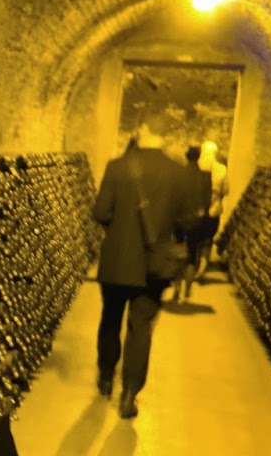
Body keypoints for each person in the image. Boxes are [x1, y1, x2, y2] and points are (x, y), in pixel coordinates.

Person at [92, 110, 200, 418]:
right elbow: (188, 220)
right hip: (154, 265)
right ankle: (129, 394)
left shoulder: (117, 166)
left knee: (111, 319)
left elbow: (101, 213)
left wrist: (119, 229)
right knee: (141, 328)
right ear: (166, 136)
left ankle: (105, 377)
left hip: (117, 261)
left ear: (142, 129)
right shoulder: (178, 173)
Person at [170, 145, 213, 303]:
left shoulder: (177, 174)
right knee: (191, 255)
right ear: (199, 157)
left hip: (178, 220)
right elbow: (208, 200)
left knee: (178, 253)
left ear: (186, 156)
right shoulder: (205, 177)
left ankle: (177, 288)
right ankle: (188, 287)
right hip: (196, 221)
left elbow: (172, 197)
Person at [198, 140, 229, 274]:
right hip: (213, 210)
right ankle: (204, 264)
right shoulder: (221, 169)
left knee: (194, 237)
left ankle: (193, 264)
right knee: (207, 239)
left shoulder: (196, 166)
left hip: (196, 209)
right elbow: (226, 190)